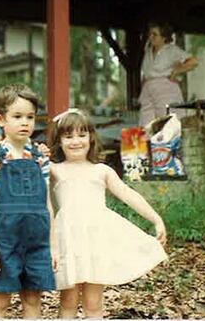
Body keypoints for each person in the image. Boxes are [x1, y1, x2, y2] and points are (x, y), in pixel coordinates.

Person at [48, 108, 168, 318]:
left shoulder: (101, 171)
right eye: (68, 136)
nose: (76, 141)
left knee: (93, 303)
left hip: (96, 241)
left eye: (82, 135)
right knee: (68, 301)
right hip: (68, 239)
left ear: (91, 138)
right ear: (59, 141)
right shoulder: (55, 170)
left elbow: (128, 195)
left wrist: (156, 219)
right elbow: (25, 160)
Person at [0, 84, 56, 319]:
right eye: (17, 116)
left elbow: (46, 204)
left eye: (30, 117)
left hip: (36, 243)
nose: (25, 123)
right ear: (1, 119)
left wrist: (53, 246)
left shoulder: (40, 156)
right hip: (4, 244)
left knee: (33, 300)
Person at [139, 22, 198, 126]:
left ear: (164, 37)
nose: (151, 37)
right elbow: (146, 73)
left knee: (167, 121)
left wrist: (176, 72)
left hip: (165, 88)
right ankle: (149, 141)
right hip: (148, 89)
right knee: (146, 122)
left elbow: (193, 61)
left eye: (154, 34)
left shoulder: (171, 50)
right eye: (150, 34)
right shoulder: (148, 51)